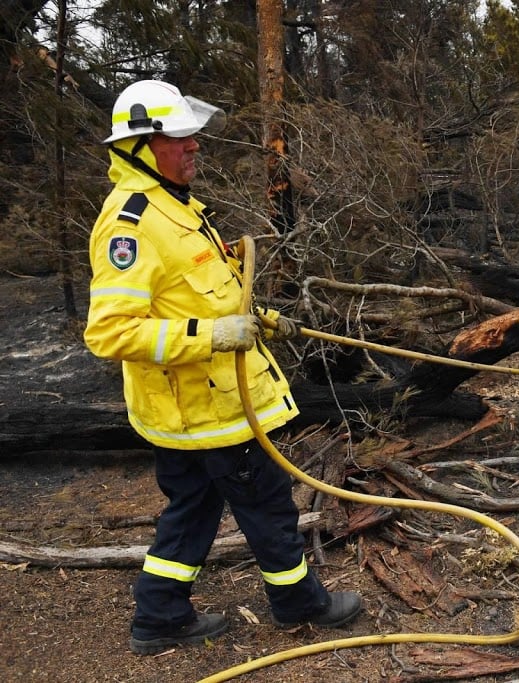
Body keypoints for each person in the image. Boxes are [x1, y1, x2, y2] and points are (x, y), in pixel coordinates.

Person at [84, 80, 362, 655]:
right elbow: (110, 332)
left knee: (193, 510)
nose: (194, 148)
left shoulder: (176, 209)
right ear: (140, 147)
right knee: (267, 505)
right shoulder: (131, 227)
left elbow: (205, 298)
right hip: (208, 412)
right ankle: (299, 604)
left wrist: (259, 318)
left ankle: (159, 617)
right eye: (180, 138)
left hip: (193, 412)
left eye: (193, 137)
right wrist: (214, 335)